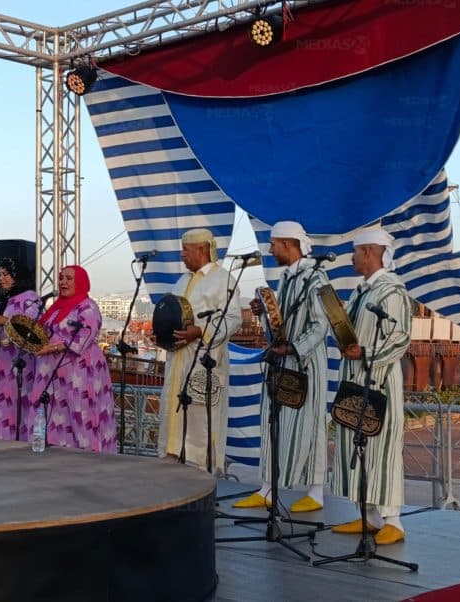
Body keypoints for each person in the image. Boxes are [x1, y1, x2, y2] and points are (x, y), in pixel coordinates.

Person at [234, 221, 331, 512]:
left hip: (307, 365)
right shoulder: (287, 279)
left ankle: (315, 493)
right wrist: (263, 312)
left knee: (310, 429)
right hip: (284, 362)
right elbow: (281, 328)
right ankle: (267, 488)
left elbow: (320, 324)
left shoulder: (316, 278)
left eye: (274, 244)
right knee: (274, 424)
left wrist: (294, 347)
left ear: (288, 245)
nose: (271, 249)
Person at [331, 227, 412, 545]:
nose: (351, 257)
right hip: (354, 381)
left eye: (355, 252)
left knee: (383, 449)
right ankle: (369, 516)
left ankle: (393, 520)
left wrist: (363, 352)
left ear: (368, 252)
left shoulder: (392, 291)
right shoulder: (361, 291)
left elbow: (400, 337)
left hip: (379, 382)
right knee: (357, 448)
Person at [157, 228, 242, 472]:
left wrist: (200, 331)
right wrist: (162, 335)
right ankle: (172, 478)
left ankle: (201, 482)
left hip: (204, 363)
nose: (182, 255)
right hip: (177, 362)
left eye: (186, 250)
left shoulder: (223, 279)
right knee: (173, 418)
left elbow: (233, 319)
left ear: (202, 249)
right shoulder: (182, 281)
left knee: (200, 424)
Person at [31, 265, 116, 453]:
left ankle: (89, 459)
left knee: (82, 416)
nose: (63, 282)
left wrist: (49, 348)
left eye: (69, 278)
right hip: (55, 375)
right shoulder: (54, 308)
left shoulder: (88, 307)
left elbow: (82, 339)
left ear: (80, 282)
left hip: (81, 373)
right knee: (58, 417)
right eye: (61, 278)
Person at [0, 257, 40, 441]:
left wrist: (7, 321)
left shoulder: (30, 299)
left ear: (17, 276)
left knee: (18, 410)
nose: (1, 279)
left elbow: (33, 328)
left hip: (19, 370)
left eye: (6, 274)